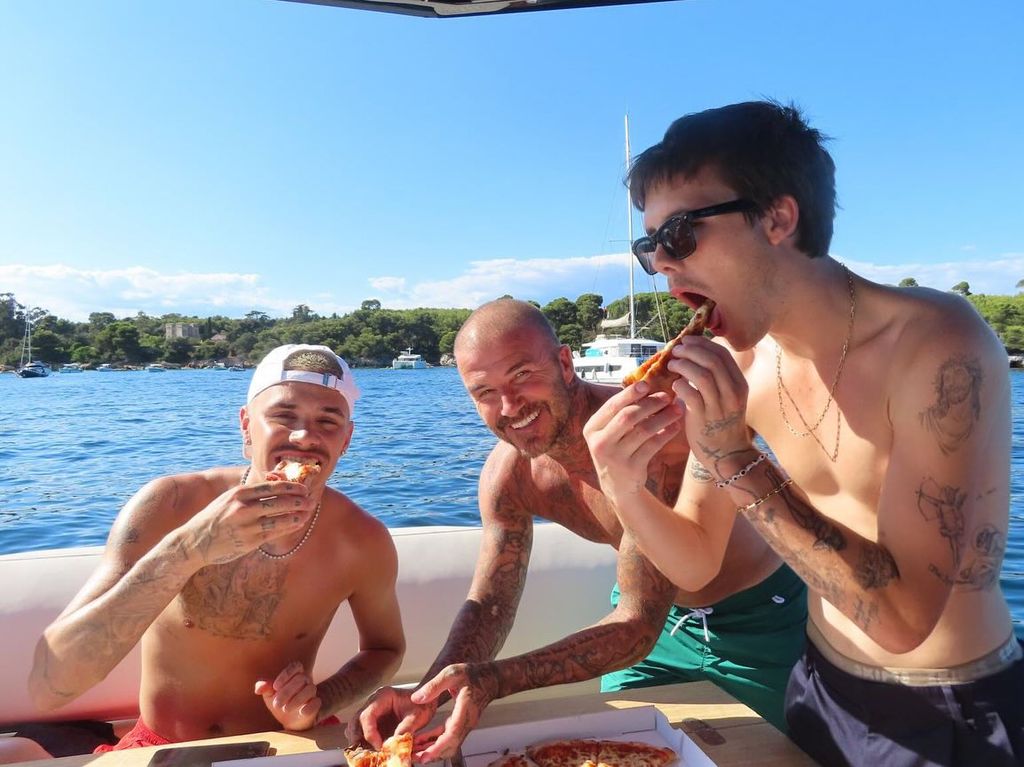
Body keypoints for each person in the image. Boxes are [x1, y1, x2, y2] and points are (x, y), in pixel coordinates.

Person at [582, 101, 1024, 766]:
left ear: (777, 217)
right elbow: (697, 559)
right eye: (648, 248)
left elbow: (904, 620)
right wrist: (623, 484)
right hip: (818, 687)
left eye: (677, 234)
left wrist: (735, 457)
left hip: (953, 710)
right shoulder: (746, 365)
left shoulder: (938, 345)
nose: (662, 267)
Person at [347, 298, 807, 761]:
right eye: (484, 392)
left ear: (565, 363)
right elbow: (490, 604)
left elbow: (635, 624)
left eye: (522, 374)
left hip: (760, 620)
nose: (509, 407)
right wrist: (427, 695)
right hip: (664, 625)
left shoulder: (651, 433)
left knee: (764, 757)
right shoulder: (510, 476)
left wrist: (495, 681)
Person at [13, 344, 404, 759]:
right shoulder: (171, 506)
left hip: (288, 742)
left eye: (328, 421)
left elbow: (385, 649)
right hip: (164, 746)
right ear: (246, 427)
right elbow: (50, 686)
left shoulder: (362, 540)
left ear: (346, 440)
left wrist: (321, 700)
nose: (305, 437)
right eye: (284, 416)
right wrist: (188, 550)